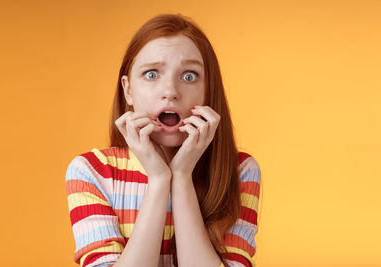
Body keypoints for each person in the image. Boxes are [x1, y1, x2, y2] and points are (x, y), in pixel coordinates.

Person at [65, 13, 261, 267]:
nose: (170, 92)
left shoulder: (240, 171)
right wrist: (159, 179)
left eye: (189, 76)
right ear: (128, 90)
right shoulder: (91, 171)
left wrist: (181, 176)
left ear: (208, 90)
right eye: (151, 74)